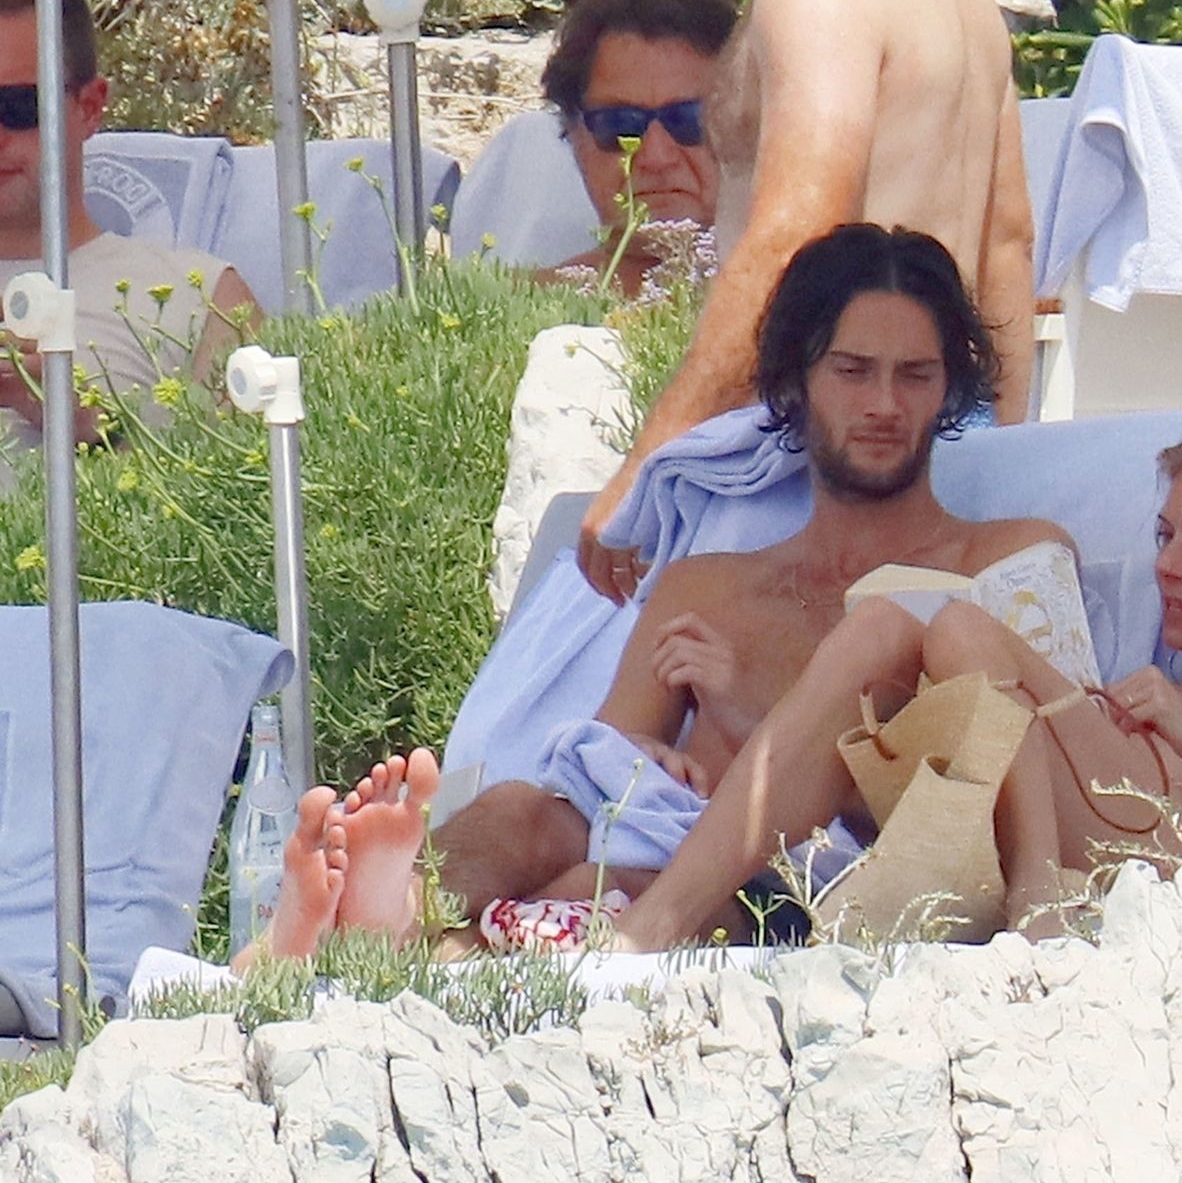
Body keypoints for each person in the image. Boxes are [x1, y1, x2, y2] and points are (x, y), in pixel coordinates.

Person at [248, 223, 1069, 962]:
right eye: (853, 371)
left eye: (916, 375)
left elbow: (1034, 805)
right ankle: (382, 915)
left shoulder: (1002, 564)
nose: (885, 405)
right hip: (638, 854)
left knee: (598, 888)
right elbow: (601, 776)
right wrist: (649, 757)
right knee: (526, 812)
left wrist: (745, 719)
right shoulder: (704, 590)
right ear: (795, 382)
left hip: (798, 890)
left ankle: (404, 942)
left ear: (948, 390)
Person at [597, 417, 1182, 950]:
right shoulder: (1154, 689)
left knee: (963, 629)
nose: (1169, 566)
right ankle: (655, 924)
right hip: (1081, 827)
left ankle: (1038, 895)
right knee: (885, 630)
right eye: (1165, 536)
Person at [573, 0, 1038, 604]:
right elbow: (1008, 242)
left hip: (828, 454)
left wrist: (645, 469)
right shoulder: (971, 7)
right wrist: (995, 458)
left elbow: (794, 237)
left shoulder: (818, 0)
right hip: (942, 424)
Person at [0, 0, 256, 447]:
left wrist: (86, 421)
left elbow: (249, 478)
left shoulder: (205, 299)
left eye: (19, 107)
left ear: (89, 107)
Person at [536, 0, 733, 297]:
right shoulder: (525, 307)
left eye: (689, 118)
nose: (656, 157)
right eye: (619, 123)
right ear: (573, 136)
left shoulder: (805, 304)